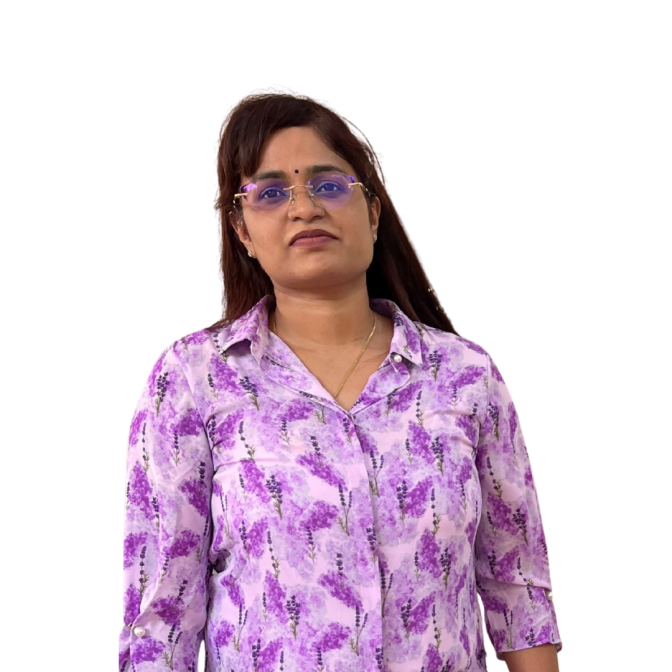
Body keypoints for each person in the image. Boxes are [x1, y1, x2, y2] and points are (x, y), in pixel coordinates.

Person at [119, 93, 562, 672]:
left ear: (372, 212)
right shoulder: (194, 379)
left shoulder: (463, 376)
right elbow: (161, 619)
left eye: (327, 185)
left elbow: (516, 588)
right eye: (271, 193)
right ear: (242, 230)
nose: (303, 208)